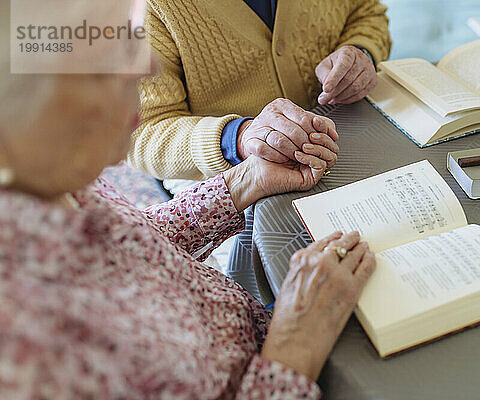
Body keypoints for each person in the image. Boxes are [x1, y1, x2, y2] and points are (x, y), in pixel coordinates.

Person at [0, 1, 376, 398]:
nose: (148, 68)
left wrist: (242, 182)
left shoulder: (50, 182)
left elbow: (130, 243)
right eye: (101, 60)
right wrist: (293, 347)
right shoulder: (28, 349)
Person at [128, 0, 392, 180]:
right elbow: (138, 134)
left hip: (350, 126)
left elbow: (366, 13)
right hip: (228, 168)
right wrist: (238, 138)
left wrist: (362, 52)